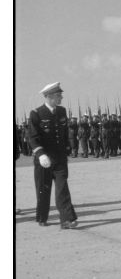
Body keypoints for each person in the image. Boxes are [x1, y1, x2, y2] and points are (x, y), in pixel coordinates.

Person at [27, 82, 78, 229]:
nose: (61, 97)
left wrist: (67, 148)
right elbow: (33, 137)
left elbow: (63, 133)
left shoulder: (62, 111)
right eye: (58, 95)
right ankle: (42, 216)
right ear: (49, 97)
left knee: (62, 188)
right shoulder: (36, 114)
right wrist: (41, 154)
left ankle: (67, 220)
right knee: (44, 190)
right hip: (44, 160)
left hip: (60, 159)